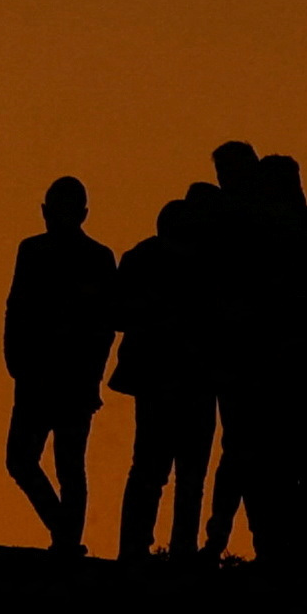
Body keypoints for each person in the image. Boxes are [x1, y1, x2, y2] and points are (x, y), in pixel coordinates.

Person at [209, 155, 307, 574]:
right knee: (301, 468)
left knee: (279, 468)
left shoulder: (257, 236)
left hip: (276, 373)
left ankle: (282, 554)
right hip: (297, 373)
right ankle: (299, 555)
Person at [0, 178, 117, 555]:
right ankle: (65, 534)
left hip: (55, 377)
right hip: (50, 376)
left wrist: (17, 361)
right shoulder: (88, 256)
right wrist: (16, 362)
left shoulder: (48, 252)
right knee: (54, 464)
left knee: (52, 463)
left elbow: (103, 325)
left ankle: (65, 536)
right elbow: (17, 309)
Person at [110, 191, 215, 562]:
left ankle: (136, 549)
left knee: (152, 471)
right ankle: (176, 550)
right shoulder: (208, 264)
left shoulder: (141, 258)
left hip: (163, 379)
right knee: (185, 474)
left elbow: (117, 315)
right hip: (192, 379)